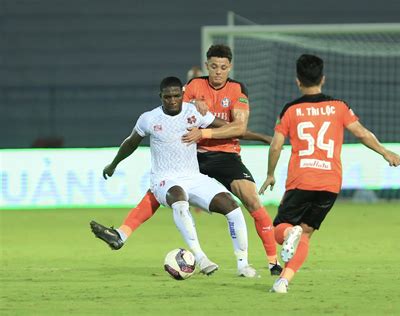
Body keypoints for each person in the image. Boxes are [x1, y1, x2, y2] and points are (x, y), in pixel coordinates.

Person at [92, 44, 282, 276]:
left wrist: (263, 137)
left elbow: (233, 128)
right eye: (167, 96)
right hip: (178, 168)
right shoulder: (152, 116)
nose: (172, 100)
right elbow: (130, 143)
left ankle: (252, 263)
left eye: (176, 96)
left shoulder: (207, 106)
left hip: (209, 165)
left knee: (239, 206)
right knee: (174, 199)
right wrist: (113, 165)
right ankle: (200, 258)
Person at [258, 54, 400, 293]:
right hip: (330, 184)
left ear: (298, 81)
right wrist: (384, 152)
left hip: (301, 179)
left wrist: (270, 173)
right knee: (306, 234)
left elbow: (276, 145)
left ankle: (289, 235)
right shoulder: (339, 107)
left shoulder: (291, 110)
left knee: (279, 231)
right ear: (322, 79)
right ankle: (283, 281)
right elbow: (362, 133)